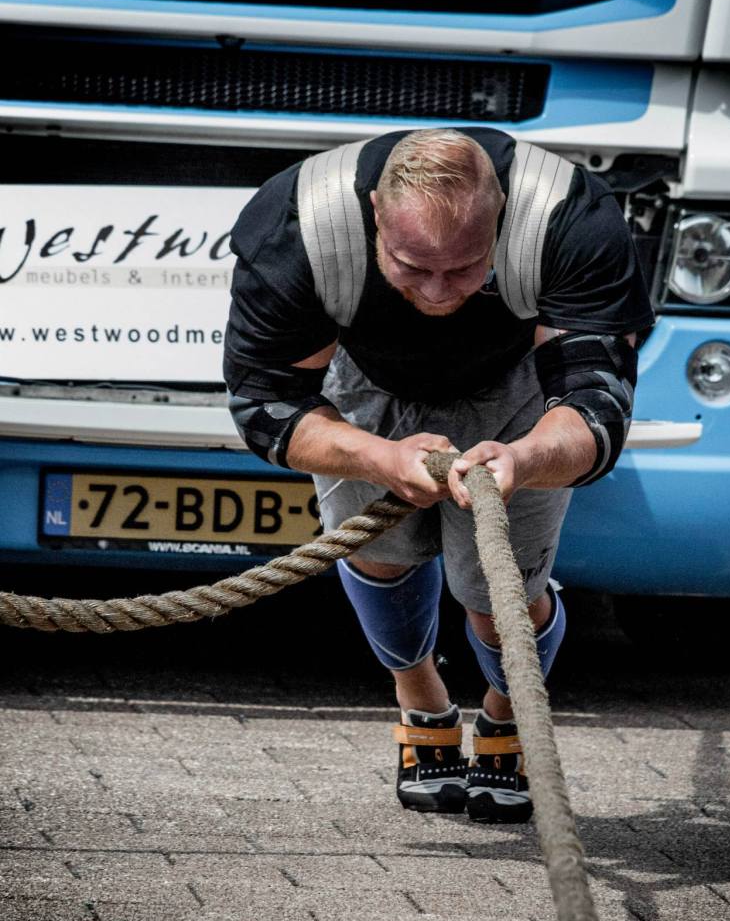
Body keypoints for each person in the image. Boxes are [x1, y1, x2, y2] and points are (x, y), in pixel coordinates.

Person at [224, 128, 653, 823]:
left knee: (497, 595)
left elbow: (596, 406)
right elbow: (265, 406)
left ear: (501, 214)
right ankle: (420, 695)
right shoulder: (297, 224)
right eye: (411, 265)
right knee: (379, 555)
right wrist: (378, 457)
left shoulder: (573, 219)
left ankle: (508, 713)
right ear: (374, 211)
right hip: (369, 377)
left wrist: (524, 459)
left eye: (463, 268)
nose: (435, 291)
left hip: (519, 383)